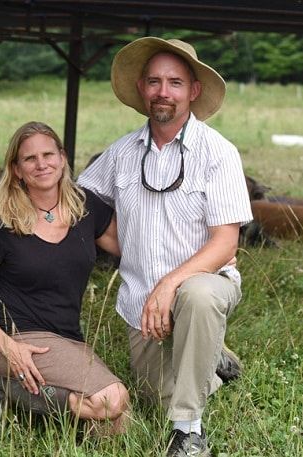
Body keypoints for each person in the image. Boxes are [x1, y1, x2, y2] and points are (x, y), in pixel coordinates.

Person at [78, 37, 253, 456]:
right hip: (141, 301)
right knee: (158, 397)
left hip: (204, 286)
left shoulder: (219, 153)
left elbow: (226, 240)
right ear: (142, 89)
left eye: (175, 82)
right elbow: (80, 204)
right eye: (154, 81)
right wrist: (120, 244)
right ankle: (211, 362)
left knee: (197, 294)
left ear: (193, 91)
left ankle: (189, 432)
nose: (163, 91)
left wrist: (169, 284)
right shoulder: (120, 153)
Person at [0, 121, 129, 434]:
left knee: (118, 427)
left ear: (62, 158)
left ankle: (24, 395)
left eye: (48, 154)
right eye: (30, 159)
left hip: (68, 338)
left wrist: (200, 252)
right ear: (16, 169)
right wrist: (9, 347)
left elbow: (132, 249)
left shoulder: (84, 207)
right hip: (19, 338)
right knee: (110, 401)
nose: (42, 164)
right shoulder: (0, 219)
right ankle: (1, 386)